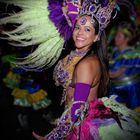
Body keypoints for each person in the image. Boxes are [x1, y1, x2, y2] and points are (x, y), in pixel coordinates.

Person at [0, 0, 140, 140]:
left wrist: (52, 137)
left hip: (81, 126)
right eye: (78, 27)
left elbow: (77, 109)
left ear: (96, 37)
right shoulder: (75, 55)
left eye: (87, 29)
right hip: (72, 119)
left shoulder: (87, 64)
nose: (80, 33)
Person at [109, 21, 140, 112]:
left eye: (119, 36)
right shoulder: (115, 52)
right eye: (116, 36)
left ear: (127, 39)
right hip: (115, 90)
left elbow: (115, 73)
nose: (115, 38)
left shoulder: (132, 54)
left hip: (131, 93)